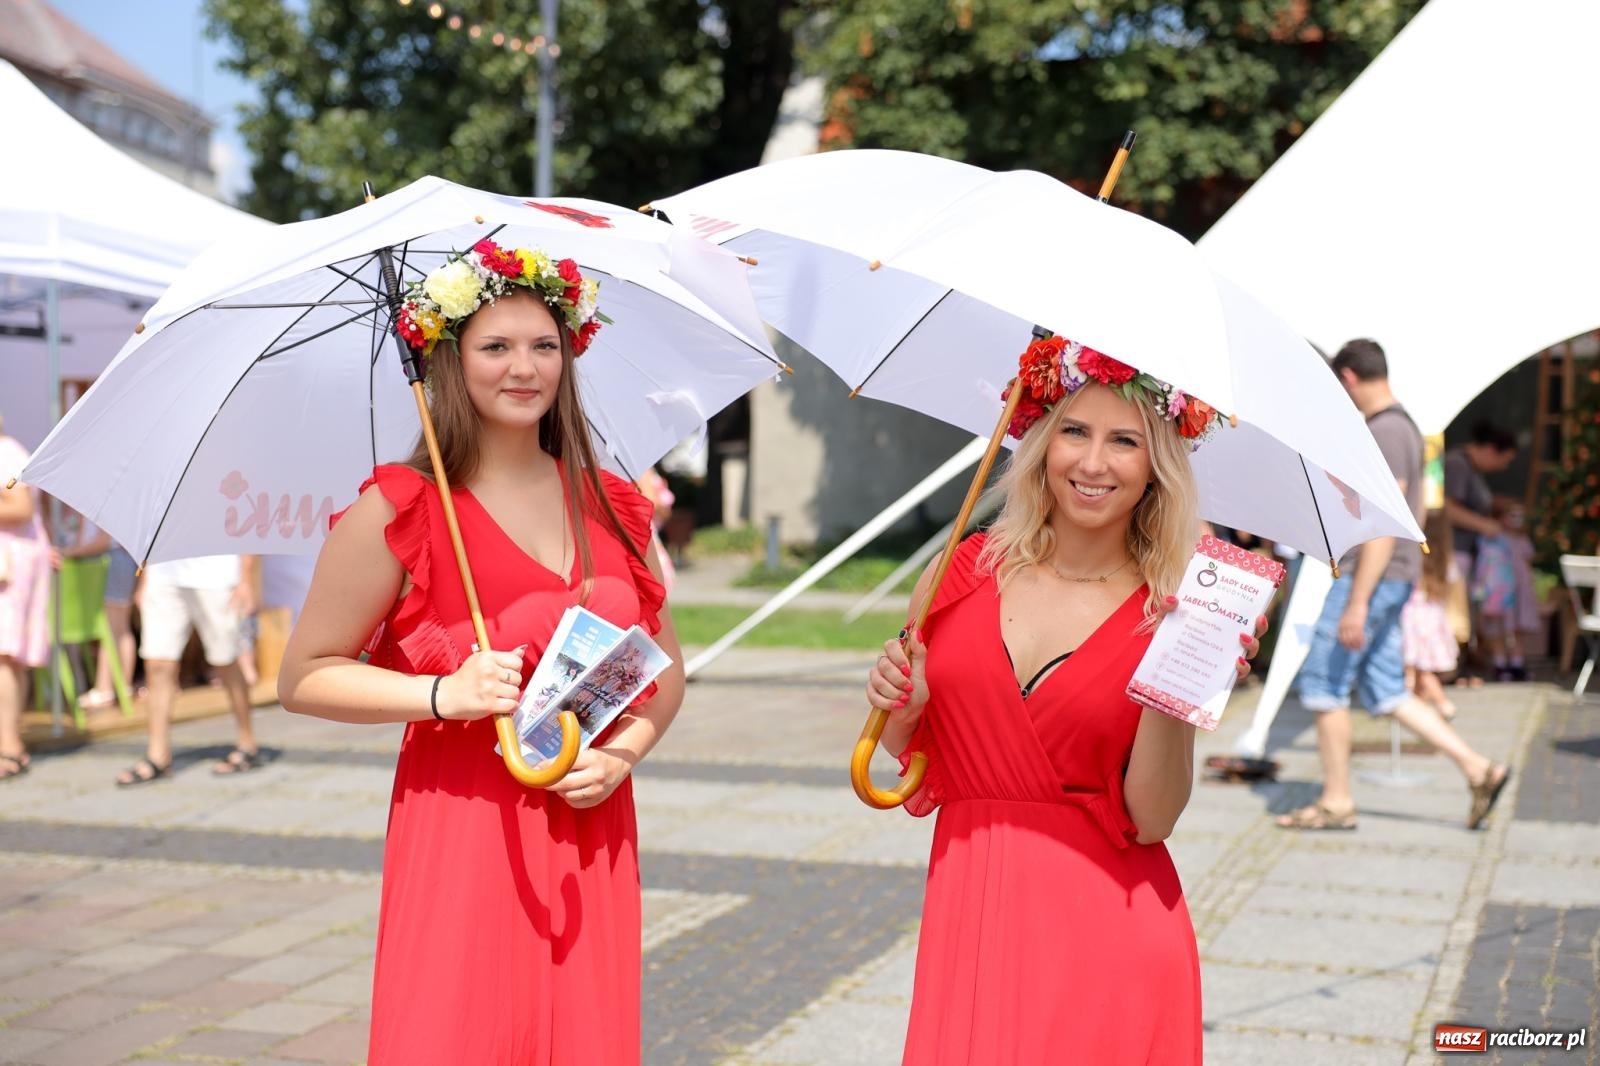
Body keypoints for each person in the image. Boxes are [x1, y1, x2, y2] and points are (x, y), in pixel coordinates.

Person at [277, 239, 684, 1065]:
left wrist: (626, 753)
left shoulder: (611, 504)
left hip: (590, 815)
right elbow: (303, 676)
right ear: (449, 362)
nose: (524, 367)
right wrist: (441, 696)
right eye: (496, 347)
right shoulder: (405, 507)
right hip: (465, 817)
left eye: (544, 345)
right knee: (462, 1030)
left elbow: (661, 670)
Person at [864, 334, 1264, 1064]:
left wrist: (1179, 685)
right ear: (1041, 441)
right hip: (972, 913)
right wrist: (905, 703)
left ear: (1156, 469)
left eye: (1125, 442)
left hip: (1106, 934)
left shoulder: (1169, 616)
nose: (1091, 462)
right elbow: (907, 752)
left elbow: (1153, 817)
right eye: (1074, 431)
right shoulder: (961, 573)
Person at [1278, 340, 1510, 832]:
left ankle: (1337, 801)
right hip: (1394, 576)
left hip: (1374, 576)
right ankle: (1479, 768)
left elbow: (1382, 524)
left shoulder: (1382, 432)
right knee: (1385, 690)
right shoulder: (1404, 426)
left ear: (1348, 378)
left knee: (1323, 683)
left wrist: (1357, 603)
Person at [114, 552, 260, 785]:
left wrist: (246, 578)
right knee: (157, 663)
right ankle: (157, 754)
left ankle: (247, 742)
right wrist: (146, 578)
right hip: (164, 573)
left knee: (226, 661)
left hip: (217, 575)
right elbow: (156, 527)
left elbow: (243, 526)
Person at [1442, 420, 1516, 681]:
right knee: (1456, 613)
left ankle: (1459, 667)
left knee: (1464, 613)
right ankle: (1449, 669)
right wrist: (1485, 525)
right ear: (1490, 450)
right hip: (1454, 550)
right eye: (1504, 460)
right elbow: (1446, 508)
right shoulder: (1457, 464)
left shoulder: (1469, 467)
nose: (1503, 467)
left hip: (1467, 550)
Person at [0, 420, 51, 781]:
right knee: (8, 658)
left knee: (5, 656)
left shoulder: (6, 453)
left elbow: (21, 508)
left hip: (12, 563)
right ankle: (10, 742)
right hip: (17, 560)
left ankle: (9, 746)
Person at [1471, 496, 1540, 681]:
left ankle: (1517, 664)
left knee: (1516, 630)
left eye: (1520, 515)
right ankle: (1500, 664)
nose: (1517, 519)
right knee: (1497, 630)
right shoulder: (1493, 539)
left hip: (1519, 592)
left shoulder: (1522, 540)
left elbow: (1528, 561)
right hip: (1499, 593)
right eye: (1512, 515)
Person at [1402, 509, 1462, 719]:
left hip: (1413, 617)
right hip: (1434, 617)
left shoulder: (1414, 557)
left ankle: (1443, 705)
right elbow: (1453, 584)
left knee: (1415, 670)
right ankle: (1420, 708)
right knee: (1420, 670)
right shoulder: (1446, 560)